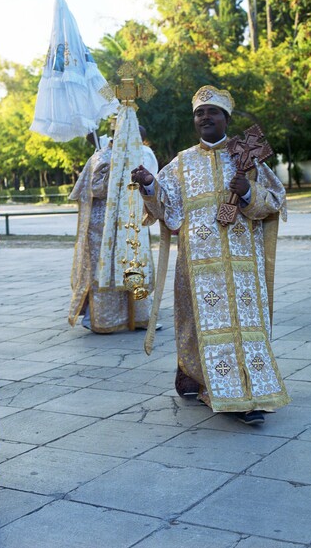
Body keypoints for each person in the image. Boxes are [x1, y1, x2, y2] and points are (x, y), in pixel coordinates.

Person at [132, 85, 290, 425]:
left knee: (247, 329)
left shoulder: (248, 157)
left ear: (225, 118)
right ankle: (213, 386)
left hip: (243, 268)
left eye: (212, 112)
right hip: (198, 267)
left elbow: (275, 201)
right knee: (201, 327)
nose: (205, 117)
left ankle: (253, 391)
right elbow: (164, 206)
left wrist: (248, 192)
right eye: (199, 113)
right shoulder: (181, 162)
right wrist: (148, 184)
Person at [69, 125, 158, 333]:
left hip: (130, 220)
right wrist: (113, 171)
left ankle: (139, 316)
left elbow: (152, 182)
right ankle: (100, 317)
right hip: (102, 226)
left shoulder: (141, 154)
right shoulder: (101, 157)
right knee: (104, 269)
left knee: (134, 265)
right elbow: (96, 188)